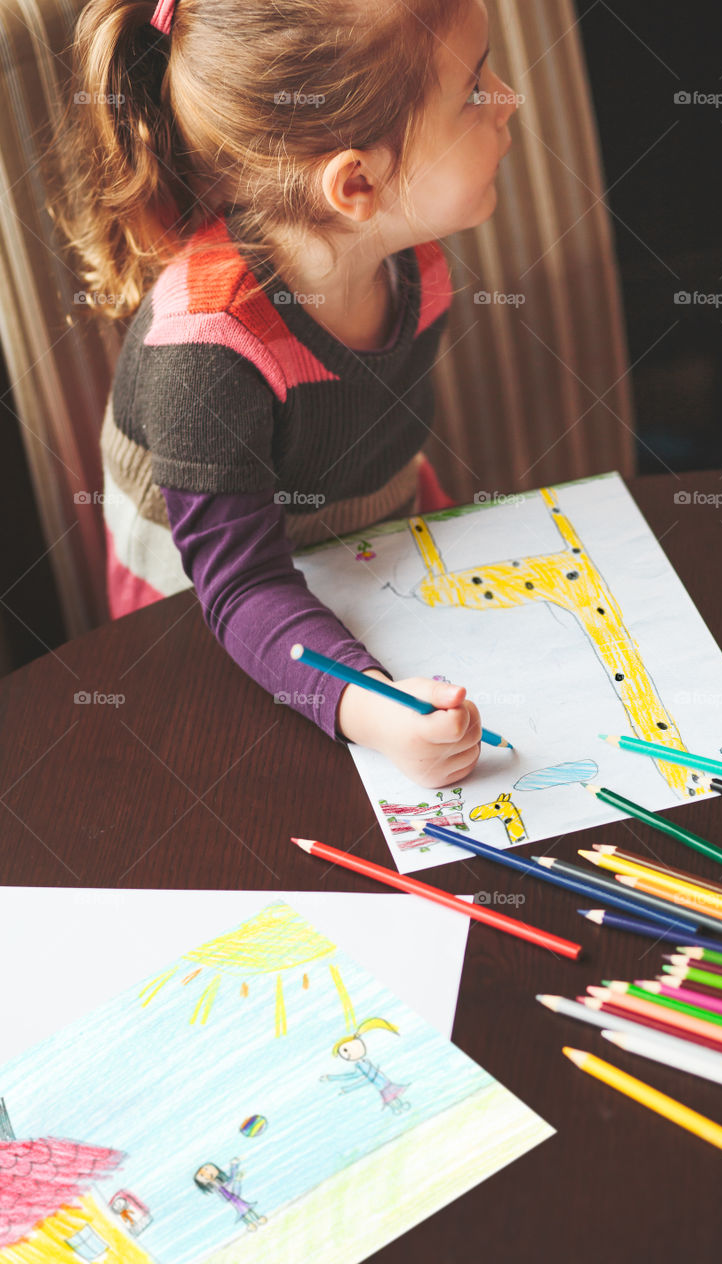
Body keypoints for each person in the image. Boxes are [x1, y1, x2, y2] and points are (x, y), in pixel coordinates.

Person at [59, 0, 517, 788]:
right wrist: (372, 705)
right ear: (357, 182)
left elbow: (373, 446)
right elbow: (241, 589)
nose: (507, 98)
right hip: (216, 621)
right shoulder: (204, 355)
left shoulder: (417, 264)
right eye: (474, 90)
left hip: (366, 543)